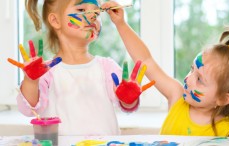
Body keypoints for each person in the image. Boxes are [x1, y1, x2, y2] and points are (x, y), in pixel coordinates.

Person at [103, 1, 229, 137]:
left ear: (223, 99)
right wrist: (121, 24)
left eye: (199, 79)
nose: (188, 79)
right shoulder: (177, 96)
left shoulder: (227, 133)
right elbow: (146, 60)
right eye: (192, 69)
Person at [10, 0, 142, 136]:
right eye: (81, 10)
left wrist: (129, 99)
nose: (92, 17)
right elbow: (28, 109)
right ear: (55, 20)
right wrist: (31, 81)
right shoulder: (46, 71)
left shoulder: (107, 67)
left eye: (96, 13)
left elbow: (127, 106)